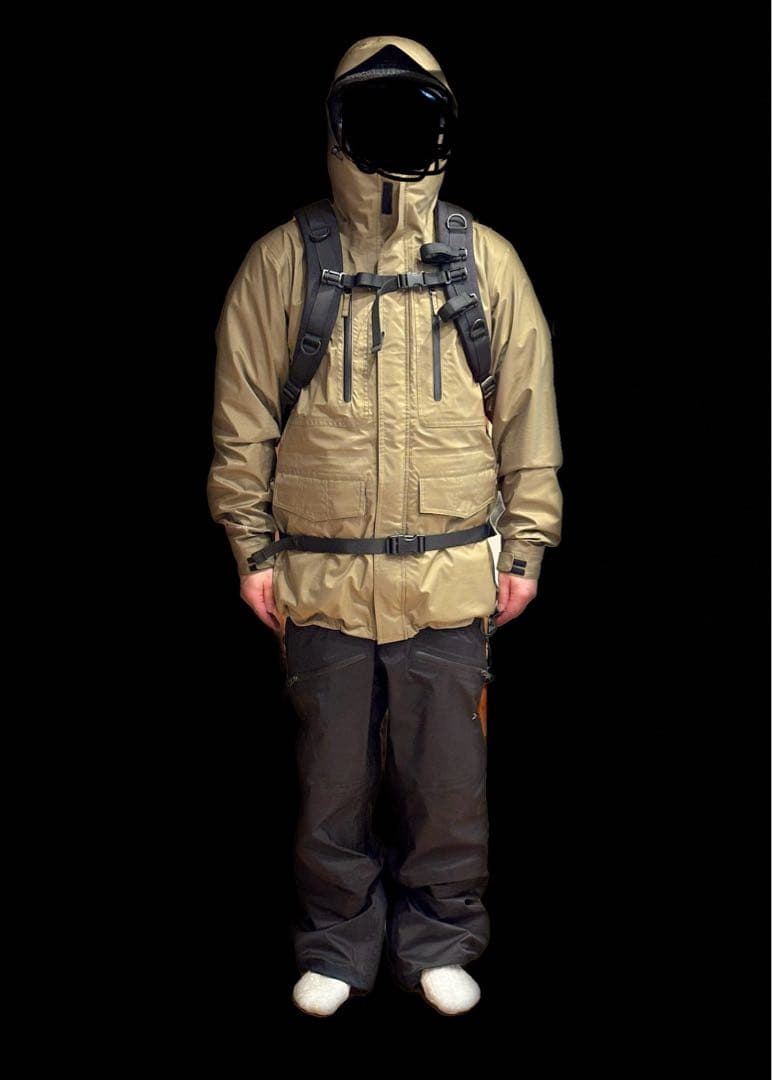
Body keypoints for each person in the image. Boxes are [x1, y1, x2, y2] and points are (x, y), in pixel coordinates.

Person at [206, 35, 563, 1017]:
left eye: (413, 111)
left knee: (448, 779)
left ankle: (442, 934)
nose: (392, 132)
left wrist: (527, 545)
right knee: (330, 781)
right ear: (336, 127)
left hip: (450, 578)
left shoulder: (485, 263)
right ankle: (336, 941)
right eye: (371, 112)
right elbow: (242, 422)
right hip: (319, 578)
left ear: (443, 126)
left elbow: (528, 416)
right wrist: (251, 549)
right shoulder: (284, 263)